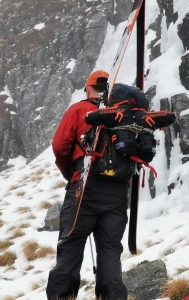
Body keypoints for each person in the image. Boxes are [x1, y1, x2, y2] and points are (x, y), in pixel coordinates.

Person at [46, 70, 130, 300]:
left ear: (88, 87)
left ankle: (62, 296)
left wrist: (71, 172)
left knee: (71, 248)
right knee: (110, 250)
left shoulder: (79, 109)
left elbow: (59, 146)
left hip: (84, 188)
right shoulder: (124, 114)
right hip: (118, 192)